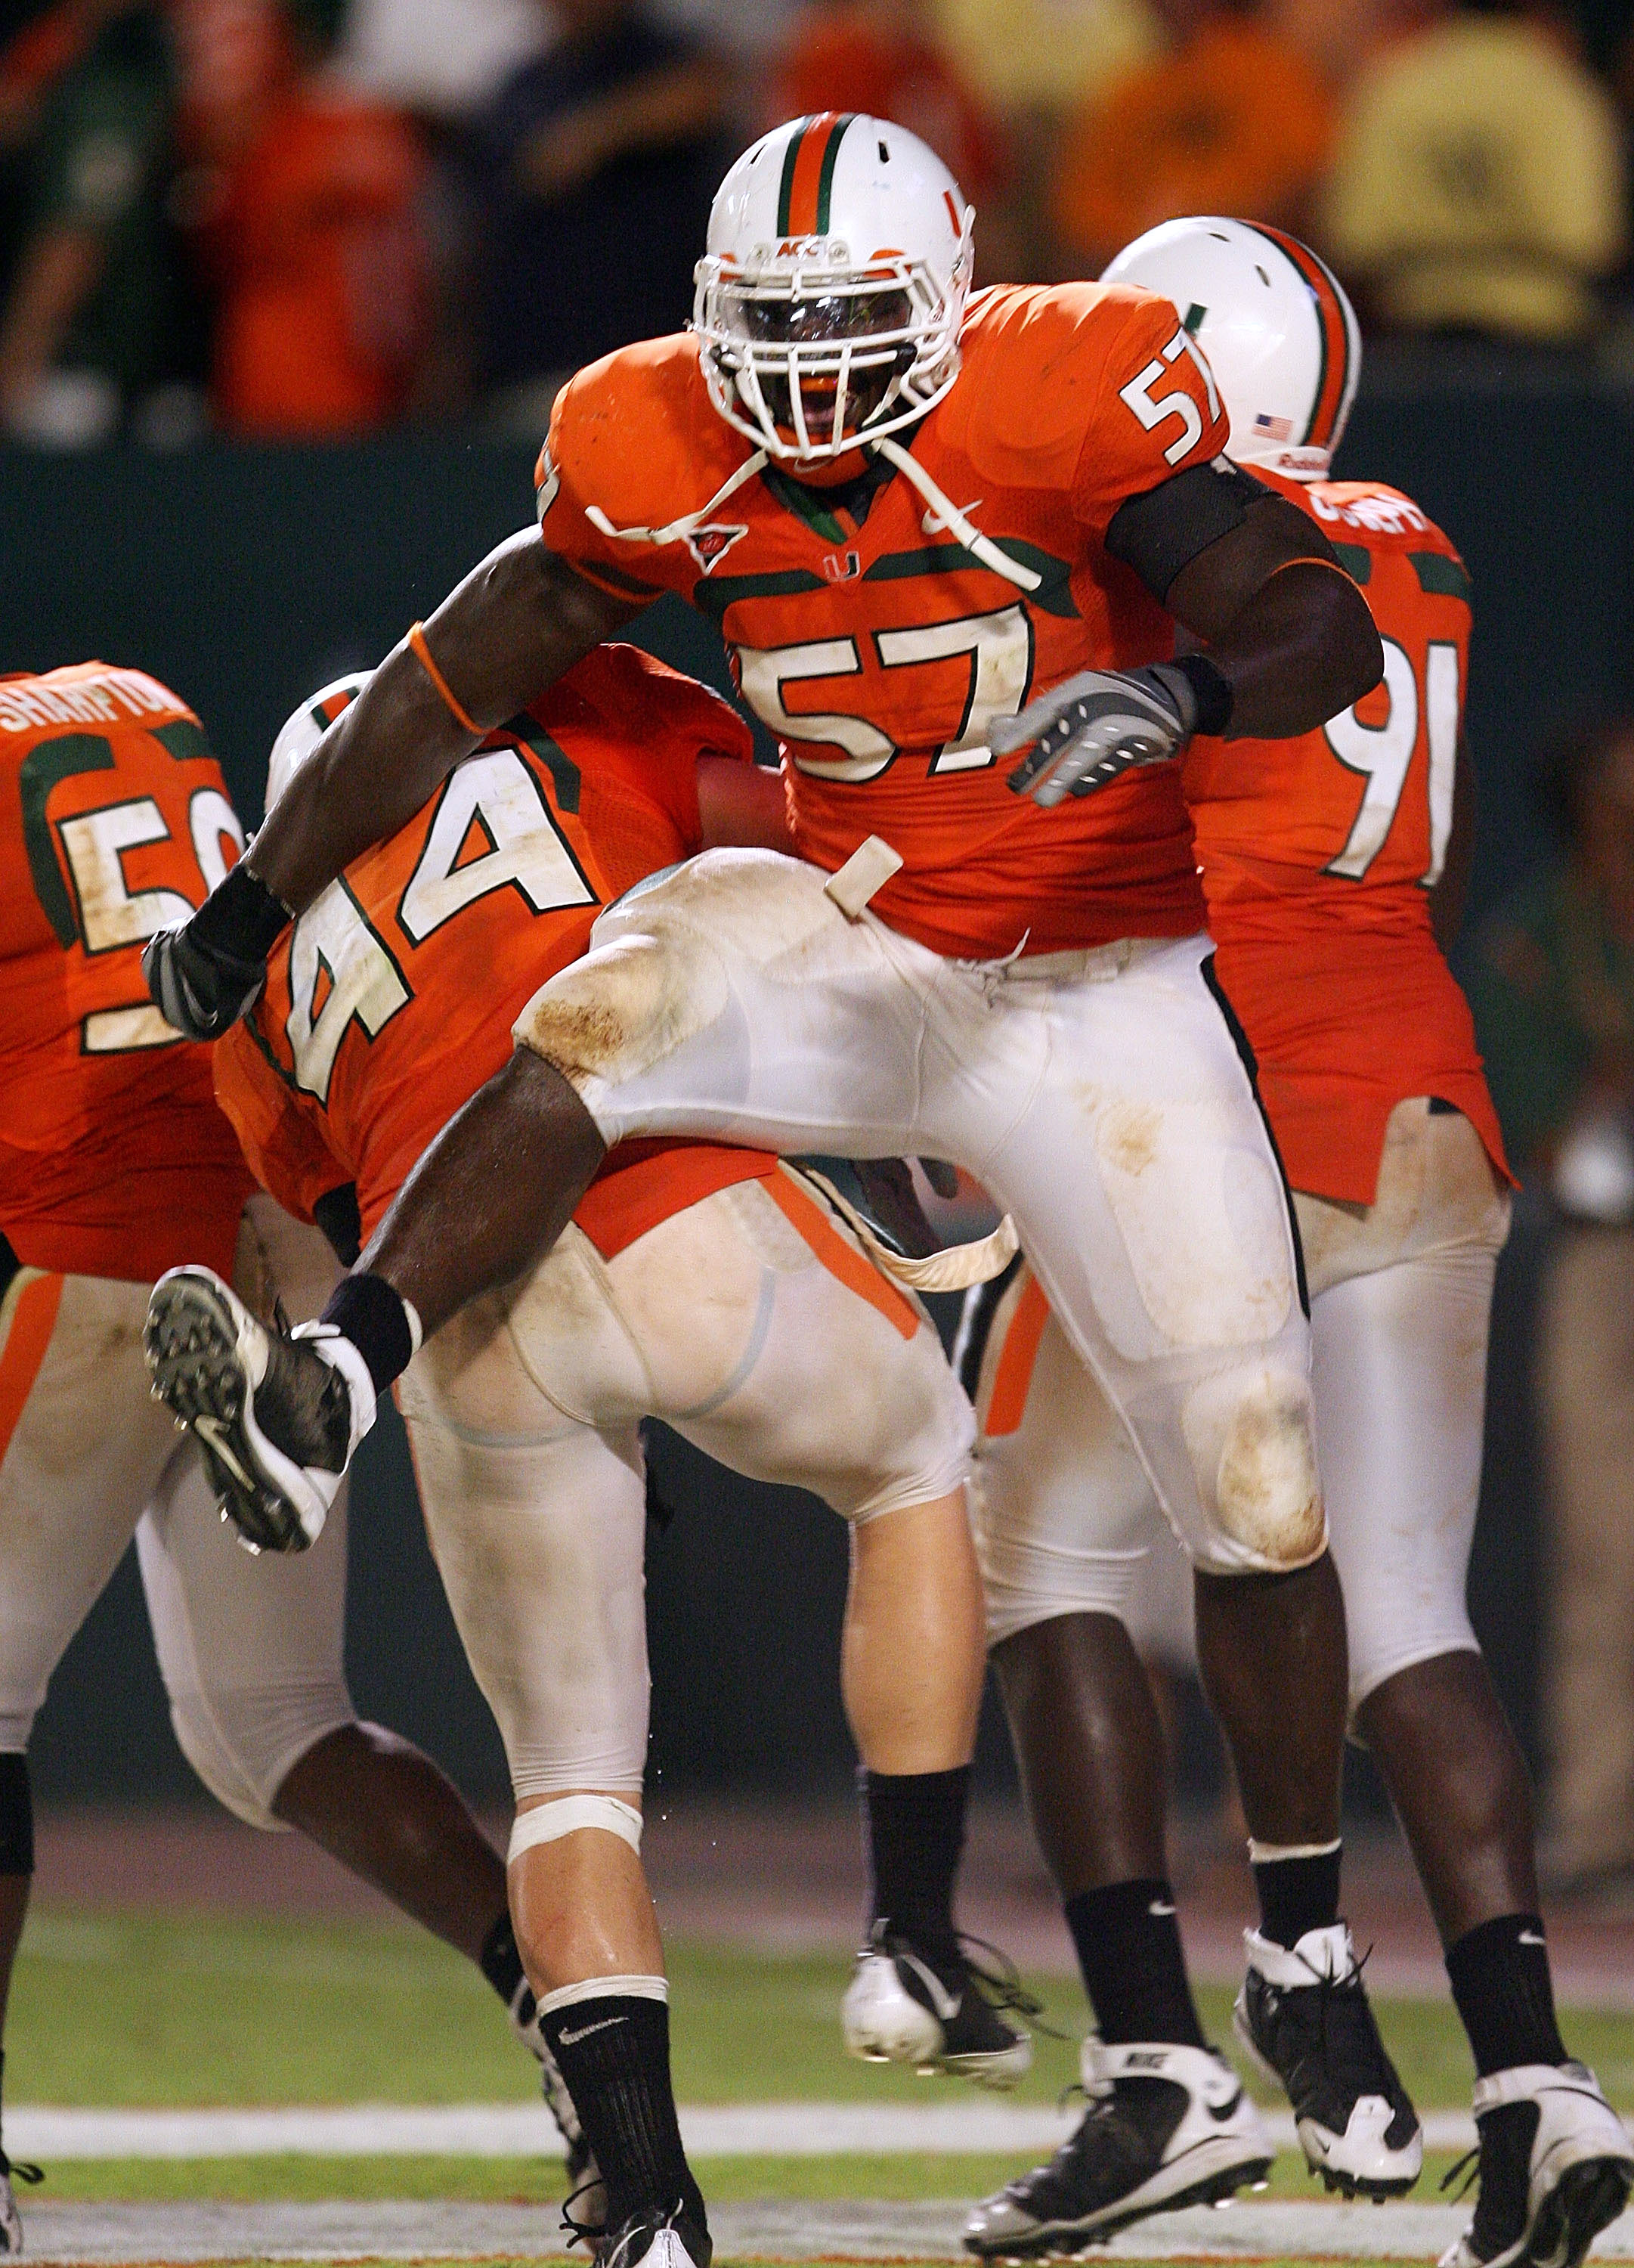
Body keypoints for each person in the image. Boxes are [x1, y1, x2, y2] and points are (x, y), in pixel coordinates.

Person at [143, 112, 1395, 2243]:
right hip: (866, 934)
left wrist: (1175, 693)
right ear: (716, 326)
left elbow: (1312, 620)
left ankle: (1304, 1961)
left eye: (852, 329)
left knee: (1257, 1470)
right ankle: (342, 1367)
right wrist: (254, 899)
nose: (810, 380)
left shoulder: (1073, 377)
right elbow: (464, 666)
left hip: (1094, 985)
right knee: (605, 1014)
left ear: (957, 284)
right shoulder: (646, 433)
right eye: (775, 336)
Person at [958, 219, 1634, 2268]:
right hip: (1414, 1080)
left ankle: (1194, 2034)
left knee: (1045, 1555)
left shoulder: (1166, 549)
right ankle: (1541, 2085)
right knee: (1407, 1617)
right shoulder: (1409, 528)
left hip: (1216, 1079)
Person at [209, 652, 1016, 2268]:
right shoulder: (578, 724)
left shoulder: (269, 976)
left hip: (454, 1313)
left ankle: (645, 2206)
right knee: (918, 1456)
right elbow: (779, 842)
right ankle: (914, 1939)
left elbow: (343, 1211)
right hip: (657, 1192)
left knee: (569, 1779)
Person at [0, 658, 593, 2255]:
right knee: (274, 1729)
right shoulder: (129, 700)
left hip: (95, 1241)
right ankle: (573, 2024)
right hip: (262, 1197)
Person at [1465, 719, 1634, 1896]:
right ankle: (1595, 1817)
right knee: (1599, 1545)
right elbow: (1539, 1129)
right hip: (1599, 1252)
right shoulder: (1535, 939)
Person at [1320, 0, 1626, 346]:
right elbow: (1590, 238)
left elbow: (1353, 235)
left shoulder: (1399, 82)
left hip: (1416, 333)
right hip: (1539, 340)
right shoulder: (1559, 88)